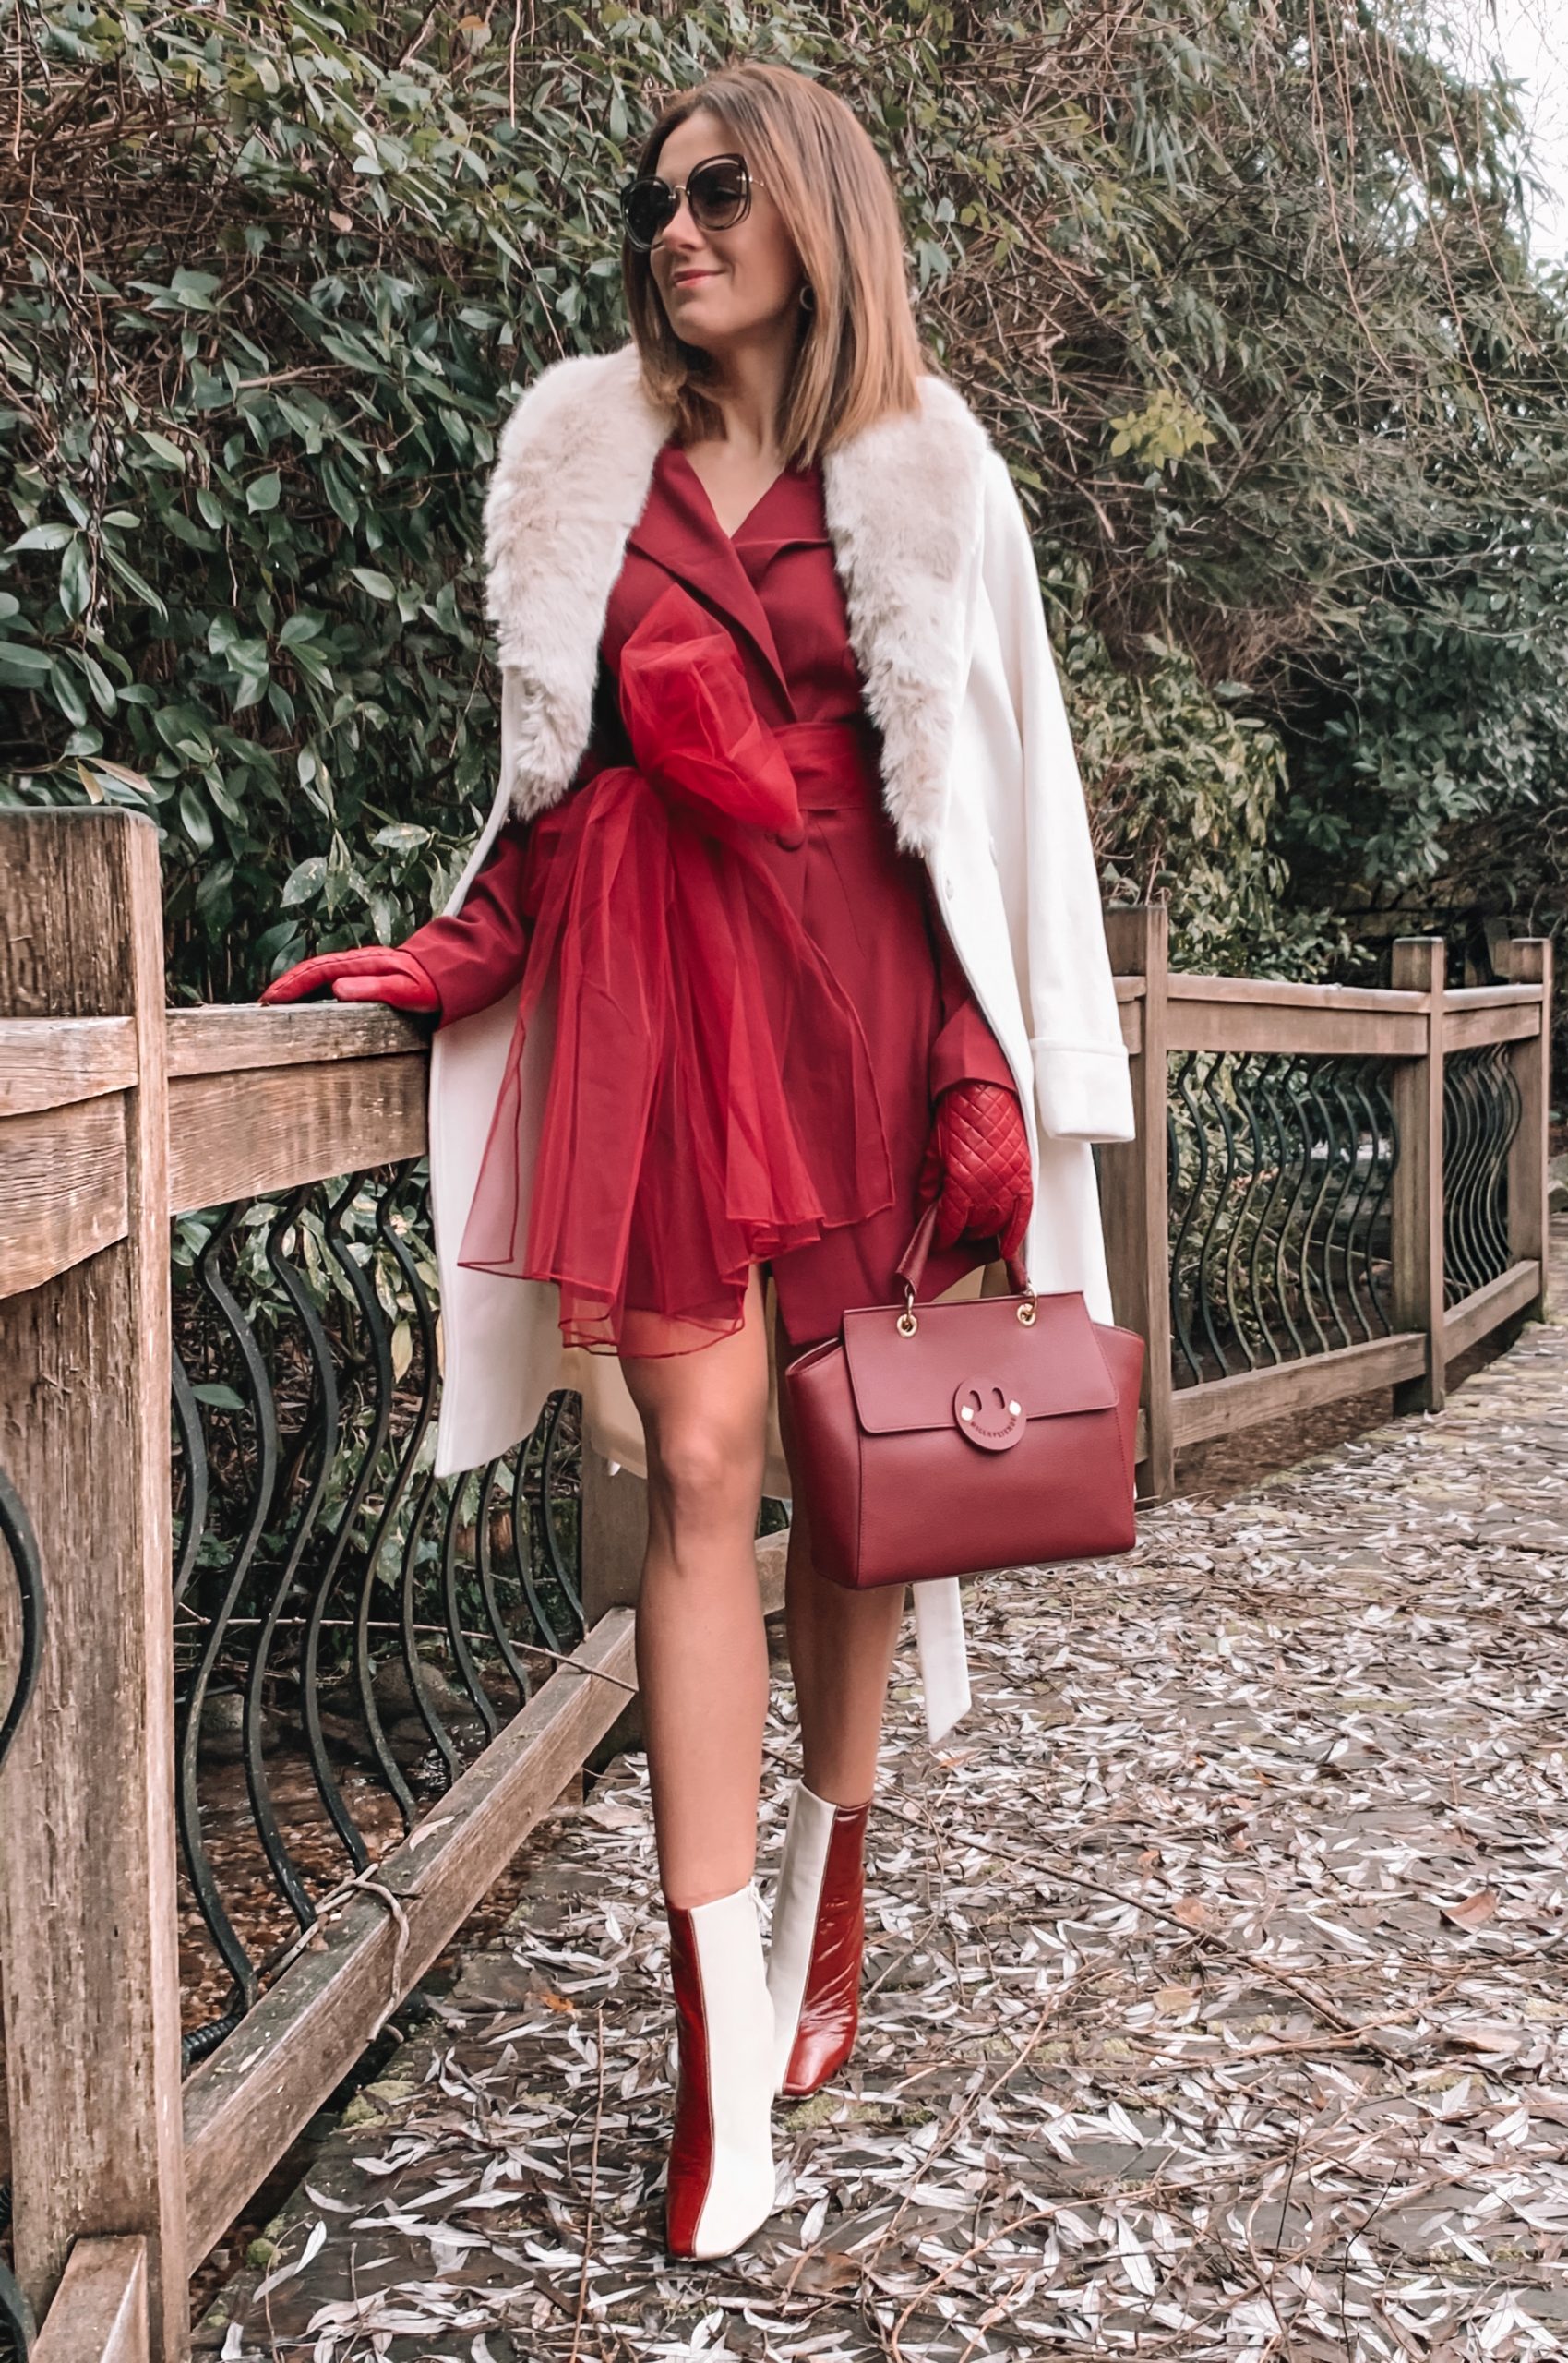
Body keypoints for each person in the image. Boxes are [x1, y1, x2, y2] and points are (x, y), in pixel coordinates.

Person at [263, 61, 1134, 2262]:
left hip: (857, 1009)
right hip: (661, 1006)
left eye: (719, 189)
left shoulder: (932, 475)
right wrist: (450, 948)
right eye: (649, 198)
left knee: (858, 1479)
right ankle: (716, 2060)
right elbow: (546, 782)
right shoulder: (585, 456)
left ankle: (829, 1887)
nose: (674, 227)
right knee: (702, 1457)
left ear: (817, 207)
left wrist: (986, 1064)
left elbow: (988, 817)